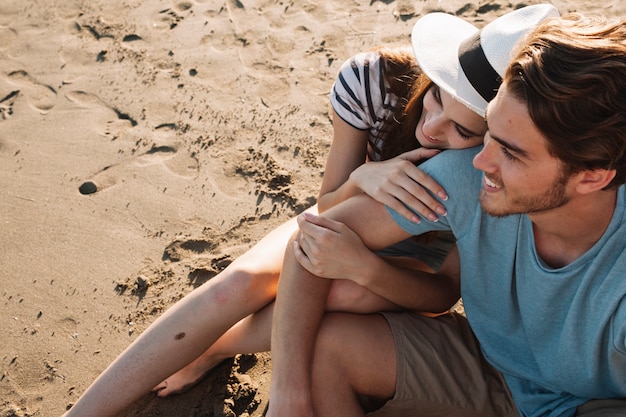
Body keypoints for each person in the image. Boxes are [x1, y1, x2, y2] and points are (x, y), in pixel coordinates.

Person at [62, 5, 557, 416]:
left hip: (422, 254)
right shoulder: (375, 81)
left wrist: (365, 267)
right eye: (434, 102)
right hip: (347, 208)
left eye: (461, 132)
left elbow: (444, 294)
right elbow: (325, 205)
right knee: (238, 286)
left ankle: (217, 345)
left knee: (349, 293)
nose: (432, 130)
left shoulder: (491, 172)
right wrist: (364, 178)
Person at [266, 10, 626, 417]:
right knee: (325, 348)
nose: (479, 161)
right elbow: (314, 237)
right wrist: (290, 399)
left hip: (599, 403)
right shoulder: (467, 173)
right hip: (492, 369)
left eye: (510, 152)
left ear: (592, 177)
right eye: (489, 133)